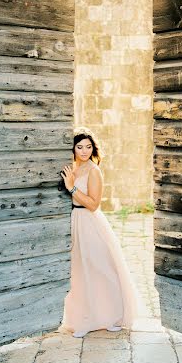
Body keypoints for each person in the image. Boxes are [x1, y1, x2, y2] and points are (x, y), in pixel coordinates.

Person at [60, 127, 139, 338]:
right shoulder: (73, 168)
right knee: (80, 272)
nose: (84, 151)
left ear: (93, 148)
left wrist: (72, 188)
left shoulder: (94, 171)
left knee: (101, 268)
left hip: (90, 221)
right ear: (73, 149)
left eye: (88, 147)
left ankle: (112, 317)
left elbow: (94, 205)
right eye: (80, 147)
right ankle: (83, 320)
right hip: (75, 219)